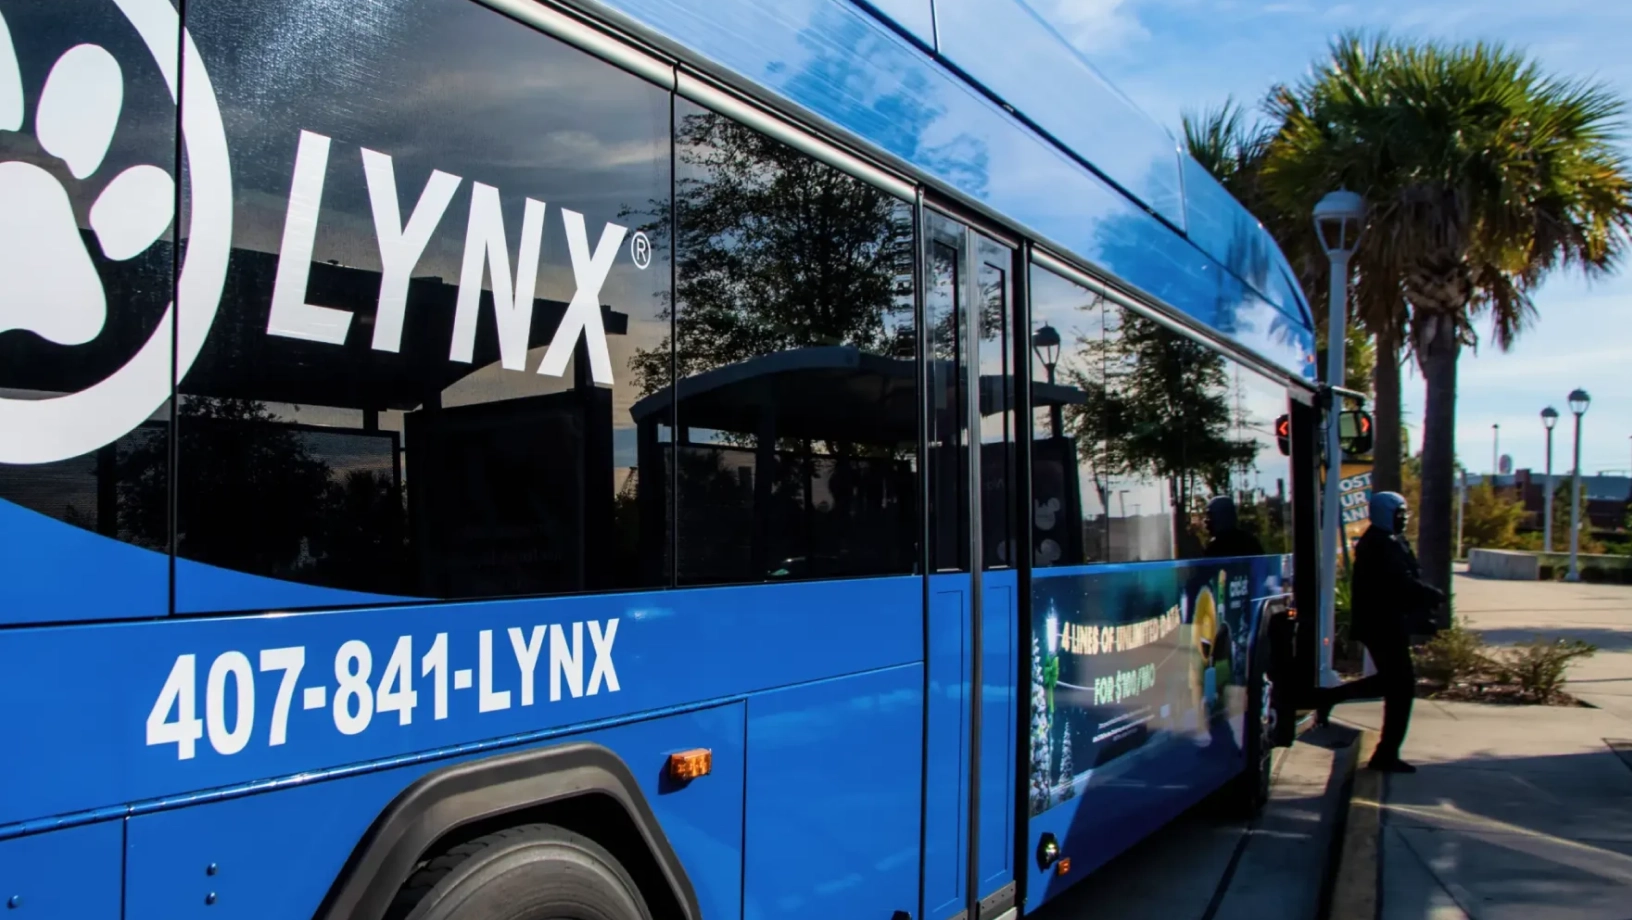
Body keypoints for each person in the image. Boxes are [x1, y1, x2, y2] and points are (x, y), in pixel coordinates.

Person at [1314, 491, 1445, 773]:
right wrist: (1432, 596)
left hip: (1386, 624)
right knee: (1400, 686)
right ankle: (1384, 753)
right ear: (1386, 514)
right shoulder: (1380, 545)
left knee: (1392, 683)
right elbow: (1400, 584)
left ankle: (1331, 699)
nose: (1403, 519)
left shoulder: (1384, 542)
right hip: (1382, 625)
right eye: (1399, 514)